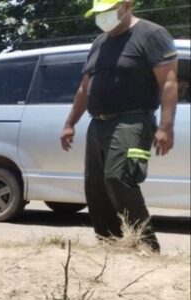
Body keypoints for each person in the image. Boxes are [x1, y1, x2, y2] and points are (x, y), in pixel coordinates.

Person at [60, 0, 178, 252]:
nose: (102, 17)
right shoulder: (99, 43)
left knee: (118, 179)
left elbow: (169, 82)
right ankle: (110, 245)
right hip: (97, 124)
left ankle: (146, 245)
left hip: (132, 121)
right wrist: (70, 123)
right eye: (99, 13)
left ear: (127, 5)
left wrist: (166, 127)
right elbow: (85, 87)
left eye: (108, 11)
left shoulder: (152, 35)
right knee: (95, 186)